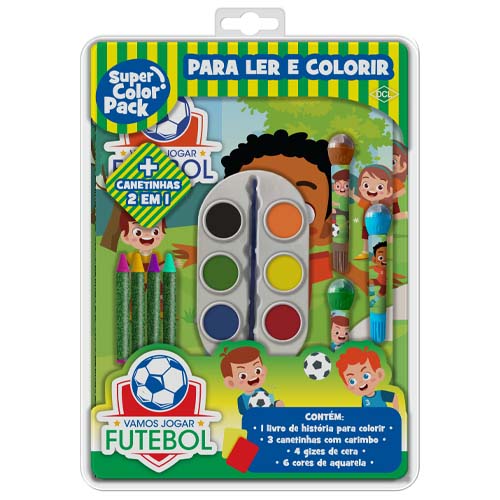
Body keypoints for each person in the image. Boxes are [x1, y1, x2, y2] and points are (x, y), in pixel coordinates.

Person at [220, 346, 284, 415]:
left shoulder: (261, 391)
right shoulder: (241, 399)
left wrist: (276, 404)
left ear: (264, 370)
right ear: (231, 383)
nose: (252, 376)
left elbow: (269, 402)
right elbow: (243, 412)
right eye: (243, 376)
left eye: (257, 371)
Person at [336, 346, 399, 411]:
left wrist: (395, 413)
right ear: (347, 386)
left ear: (379, 374)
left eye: (366, 376)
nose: (360, 381)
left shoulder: (380, 394)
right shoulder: (364, 399)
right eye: (352, 381)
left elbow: (394, 397)